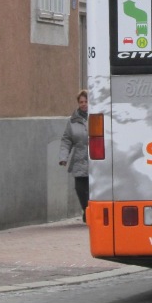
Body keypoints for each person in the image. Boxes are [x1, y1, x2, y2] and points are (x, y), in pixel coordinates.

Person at [60, 89, 90, 222]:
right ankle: (86, 209)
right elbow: (67, 140)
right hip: (79, 159)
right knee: (79, 188)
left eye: (86, 101)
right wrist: (63, 157)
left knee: (91, 189)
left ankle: (90, 212)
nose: (83, 104)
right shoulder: (72, 121)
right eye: (81, 102)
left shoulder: (97, 116)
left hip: (94, 159)